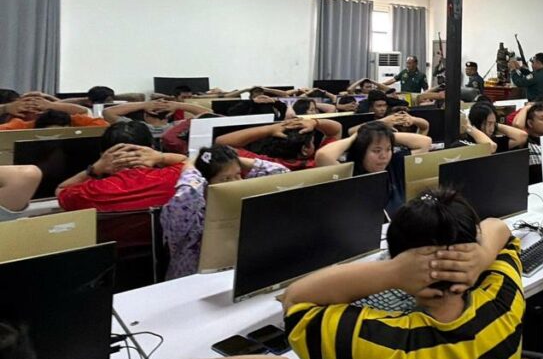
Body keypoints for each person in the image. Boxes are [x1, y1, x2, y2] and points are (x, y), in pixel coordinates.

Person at [282, 189, 523, 359]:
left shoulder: (374, 343)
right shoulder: (504, 300)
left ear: (397, 254)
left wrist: (392, 272)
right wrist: (483, 255)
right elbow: (498, 228)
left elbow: (296, 299)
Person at [161, 144, 289, 279]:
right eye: (226, 179)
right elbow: (187, 193)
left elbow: (282, 174)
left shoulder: (242, 203)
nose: (235, 183)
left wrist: (231, 159)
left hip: (235, 276)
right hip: (193, 281)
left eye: (238, 175)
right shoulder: (189, 213)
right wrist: (191, 165)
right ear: (206, 183)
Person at [55, 121, 188, 212]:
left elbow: (61, 190)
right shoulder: (177, 178)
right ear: (152, 148)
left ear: (103, 155)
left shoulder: (89, 192)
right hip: (165, 246)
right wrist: (161, 157)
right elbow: (189, 162)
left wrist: (94, 169)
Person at [316, 122, 428, 216]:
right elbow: (323, 156)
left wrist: (384, 135)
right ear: (361, 151)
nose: (384, 156)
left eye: (388, 149)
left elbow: (425, 143)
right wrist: (355, 137)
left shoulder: (394, 164)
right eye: (376, 151)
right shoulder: (349, 173)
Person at [215, 117, 342, 171]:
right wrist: (315, 122)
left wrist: (270, 129)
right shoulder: (320, 163)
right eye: (313, 142)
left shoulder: (260, 165)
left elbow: (221, 143)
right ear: (305, 149)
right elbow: (336, 130)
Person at [104, 98, 210, 139]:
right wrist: (177, 105)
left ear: (145, 115)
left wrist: (144, 104)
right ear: (169, 115)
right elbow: (209, 114)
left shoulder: (136, 128)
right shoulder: (180, 127)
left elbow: (107, 112)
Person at [0, 92, 105, 131]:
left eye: (37, 104)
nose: (33, 106)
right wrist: (5, 108)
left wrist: (52, 105)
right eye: (26, 105)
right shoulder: (17, 125)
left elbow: (85, 111)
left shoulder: (65, 120)